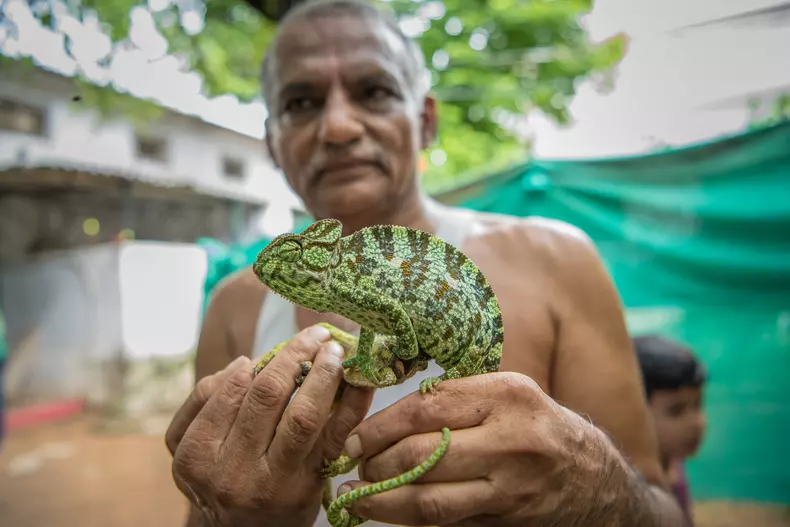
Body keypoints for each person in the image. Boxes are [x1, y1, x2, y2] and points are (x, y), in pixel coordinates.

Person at [165, 1, 687, 526]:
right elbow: (203, 509)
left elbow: (668, 514)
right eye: (301, 102)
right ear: (272, 143)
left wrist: (591, 487)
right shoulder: (235, 306)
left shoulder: (556, 261)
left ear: (426, 120)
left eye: (375, 91)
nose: (339, 127)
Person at [633, 334, 708, 525]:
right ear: (635, 412)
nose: (696, 422)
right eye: (676, 411)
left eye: (698, 405)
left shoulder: (674, 463)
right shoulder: (633, 483)